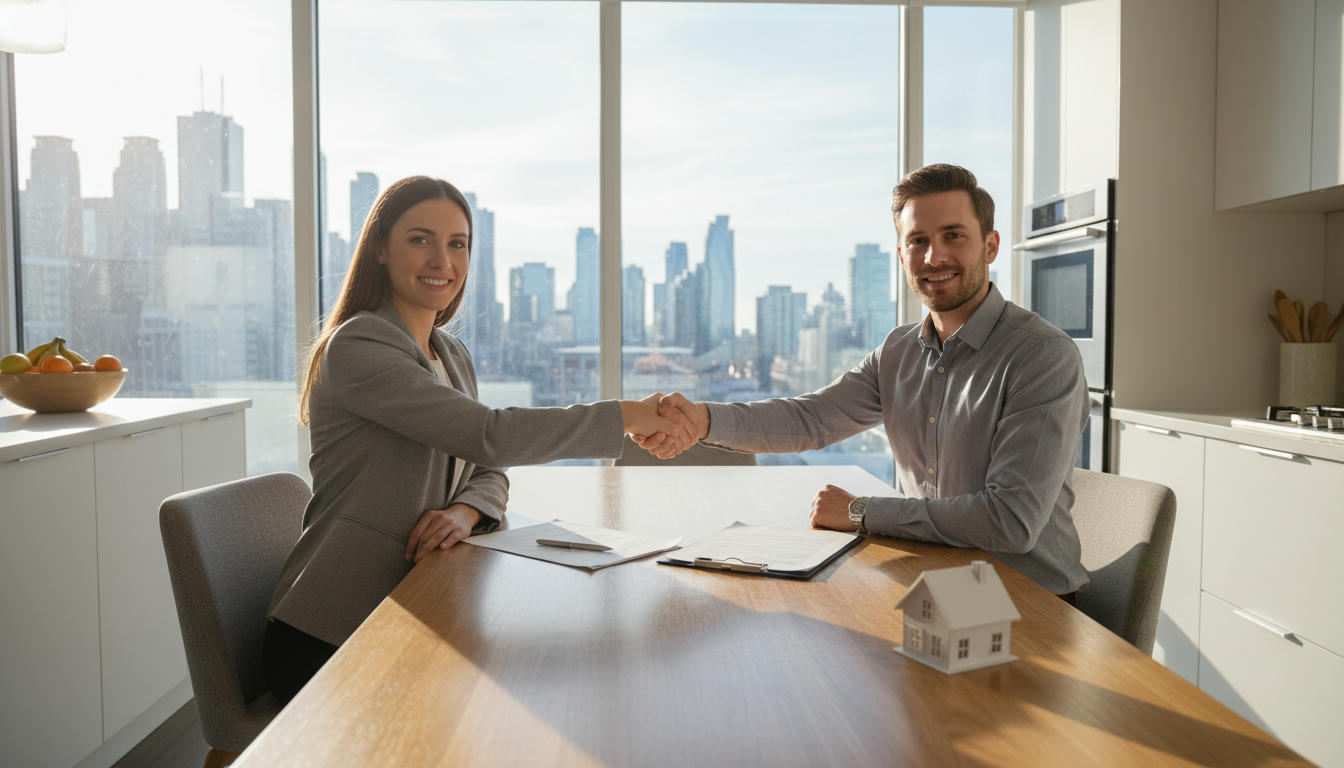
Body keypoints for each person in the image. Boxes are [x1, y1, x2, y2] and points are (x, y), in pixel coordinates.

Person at [264, 176, 696, 705]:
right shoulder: (359, 344)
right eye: (420, 239)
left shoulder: (451, 354)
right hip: (333, 629)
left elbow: (487, 469)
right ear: (380, 248)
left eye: (457, 244)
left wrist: (465, 513)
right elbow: (490, 437)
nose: (442, 260)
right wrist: (626, 414)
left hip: (420, 605)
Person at [637, 164, 1090, 601]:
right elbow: (809, 419)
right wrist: (701, 420)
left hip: (1029, 602)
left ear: (990, 246)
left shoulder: (1041, 356)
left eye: (954, 235)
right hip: (935, 584)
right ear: (901, 255)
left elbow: (1009, 520)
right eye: (918, 241)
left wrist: (860, 512)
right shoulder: (897, 353)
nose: (934, 257)